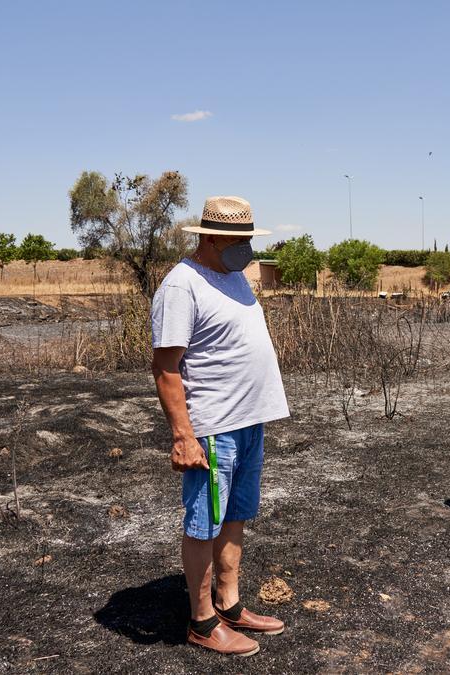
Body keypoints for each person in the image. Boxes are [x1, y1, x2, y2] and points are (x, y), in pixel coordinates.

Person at [151, 195, 289, 657]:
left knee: (235, 517)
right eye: (238, 239)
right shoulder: (181, 285)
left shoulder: (232, 277)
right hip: (212, 428)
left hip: (249, 422)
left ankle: (229, 605)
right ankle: (202, 621)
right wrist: (183, 436)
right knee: (204, 523)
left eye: (249, 238)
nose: (246, 247)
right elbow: (166, 367)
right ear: (210, 237)